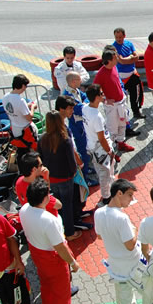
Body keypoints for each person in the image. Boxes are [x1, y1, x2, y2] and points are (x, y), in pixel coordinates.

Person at [20, 178, 88, 304]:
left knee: (46, 284)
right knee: (62, 292)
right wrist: (72, 262)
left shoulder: (24, 210)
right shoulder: (48, 220)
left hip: (38, 254)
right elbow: (60, 247)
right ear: (45, 198)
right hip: (53, 258)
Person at [95, 179, 153, 304]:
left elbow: (99, 236)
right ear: (119, 193)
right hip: (134, 265)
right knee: (149, 292)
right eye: (129, 195)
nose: (131, 199)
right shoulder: (122, 218)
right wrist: (135, 230)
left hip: (115, 266)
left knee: (125, 295)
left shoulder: (99, 213)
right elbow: (129, 245)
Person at [39, 111, 88, 239]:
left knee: (57, 205)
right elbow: (72, 162)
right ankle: (70, 232)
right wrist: (73, 173)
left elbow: (41, 157)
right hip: (65, 178)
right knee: (67, 205)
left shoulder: (42, 138)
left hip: (50, 178)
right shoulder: (65, 139)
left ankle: (60, 229)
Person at [94, 46, 135, 153]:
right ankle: (110, 151)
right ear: (109, 60)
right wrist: (104, 100)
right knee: (112, 129)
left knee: (122, 125)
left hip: (121, 102)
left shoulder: (114, 67)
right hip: (112, 106)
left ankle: (121, 143)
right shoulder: (100, 74)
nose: (117, 59)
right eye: (115, 58)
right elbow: (95, 90)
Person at [83, 84, 118, 204]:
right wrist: (109, 150)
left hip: (92, 147)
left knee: (105, 172)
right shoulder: (96, 117)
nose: (103, 95)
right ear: (97, 97)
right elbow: (102, 138)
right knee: (104, 174)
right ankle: (106, 196)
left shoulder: (85, 108)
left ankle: (110, 190)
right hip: (100, 150)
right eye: (102, 94)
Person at [56, 91, 95, 185]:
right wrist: (79, 162)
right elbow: (70, 148)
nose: (72, 111)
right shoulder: (60, 128)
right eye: (70, 108)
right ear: (61, 109)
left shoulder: (59, 123)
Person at [112, 28, 145, 121]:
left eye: (120, 37)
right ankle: (124, 117)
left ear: (124, 36)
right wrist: (131, 57)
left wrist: (129, 58)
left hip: (132, 75)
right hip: (121, 77)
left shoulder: (129, 44)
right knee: (122, 99)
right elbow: (121, 61)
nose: (118, 39)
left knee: (135, 95)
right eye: (116, 37)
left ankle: (136, 112)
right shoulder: (113, 48)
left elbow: (137, 57)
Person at [2, 74, 38, 155]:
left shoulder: (5, 97)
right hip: (25, 131)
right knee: (32, 152)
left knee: (21, 151)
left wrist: (26, 105)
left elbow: (15, 109)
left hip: (15, 129)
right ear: (22, 86)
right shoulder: (20, 100)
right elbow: (29, 117)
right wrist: (32, 107)